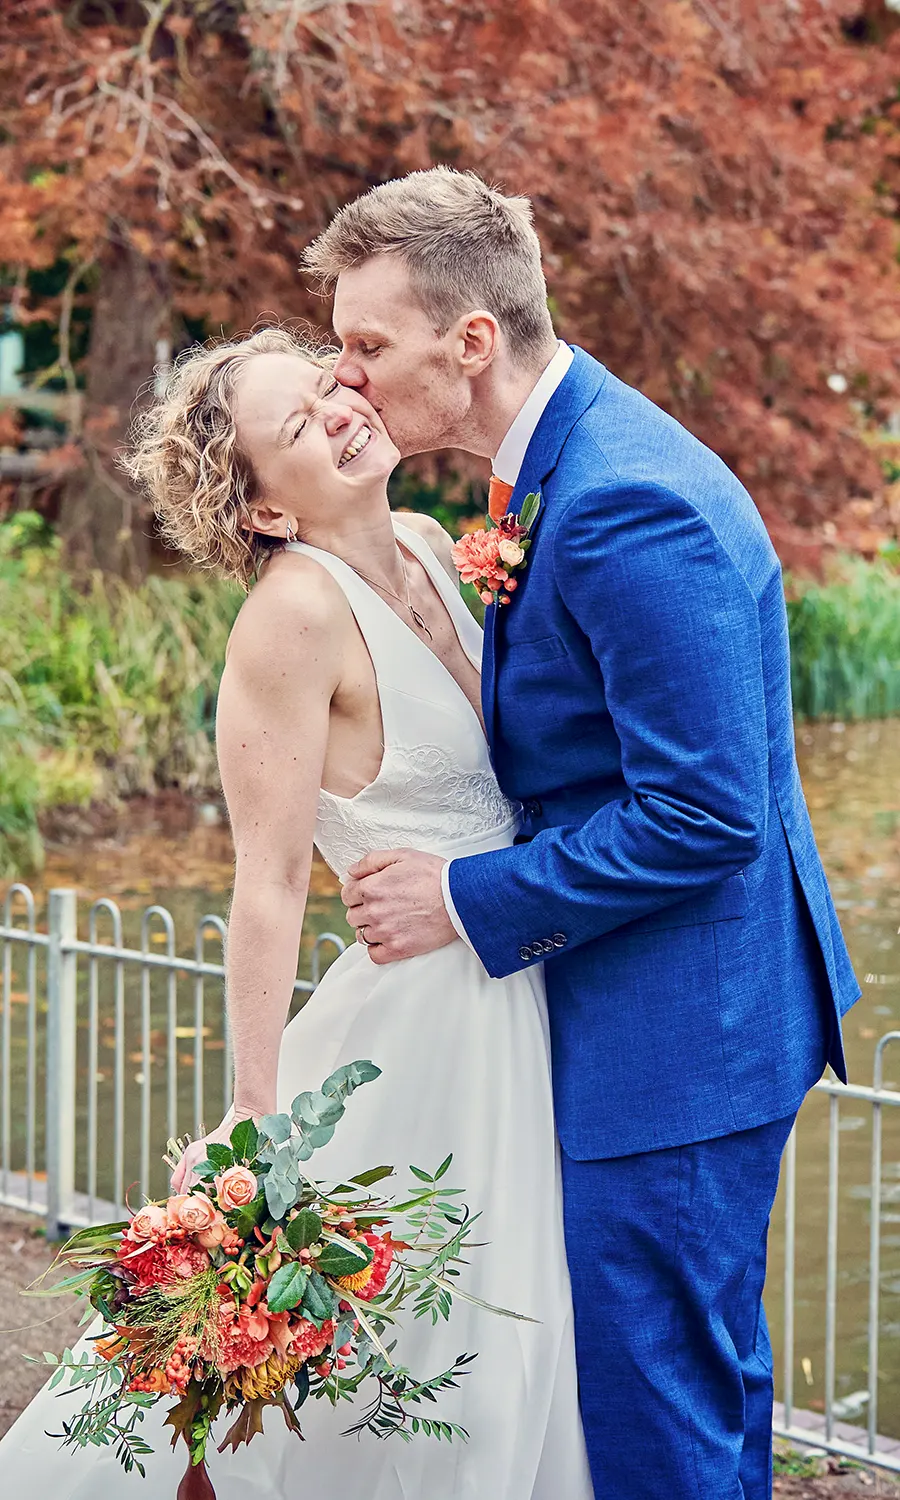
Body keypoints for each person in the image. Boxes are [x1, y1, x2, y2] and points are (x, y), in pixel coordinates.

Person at [301, 166, 862, 1500]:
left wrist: (468, 896)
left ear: (472, 341)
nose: (349, 378)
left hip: (683, 1035)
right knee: (677, 1382)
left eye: (369, 345)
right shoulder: (559, 462)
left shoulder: (623, 500)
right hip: (659, 1012)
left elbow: (705, 813)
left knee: (655, 1407)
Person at [0, 328, 594, 1500]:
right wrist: (254, 1116)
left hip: (522, 991)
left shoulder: (435, 547)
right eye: (296, 425)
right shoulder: (292, 619)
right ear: (265, 512)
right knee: (413, 1362)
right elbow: (266, 883)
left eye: (326, 383)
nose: (339, 408)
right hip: (423, 1035)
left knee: (521, 1338)